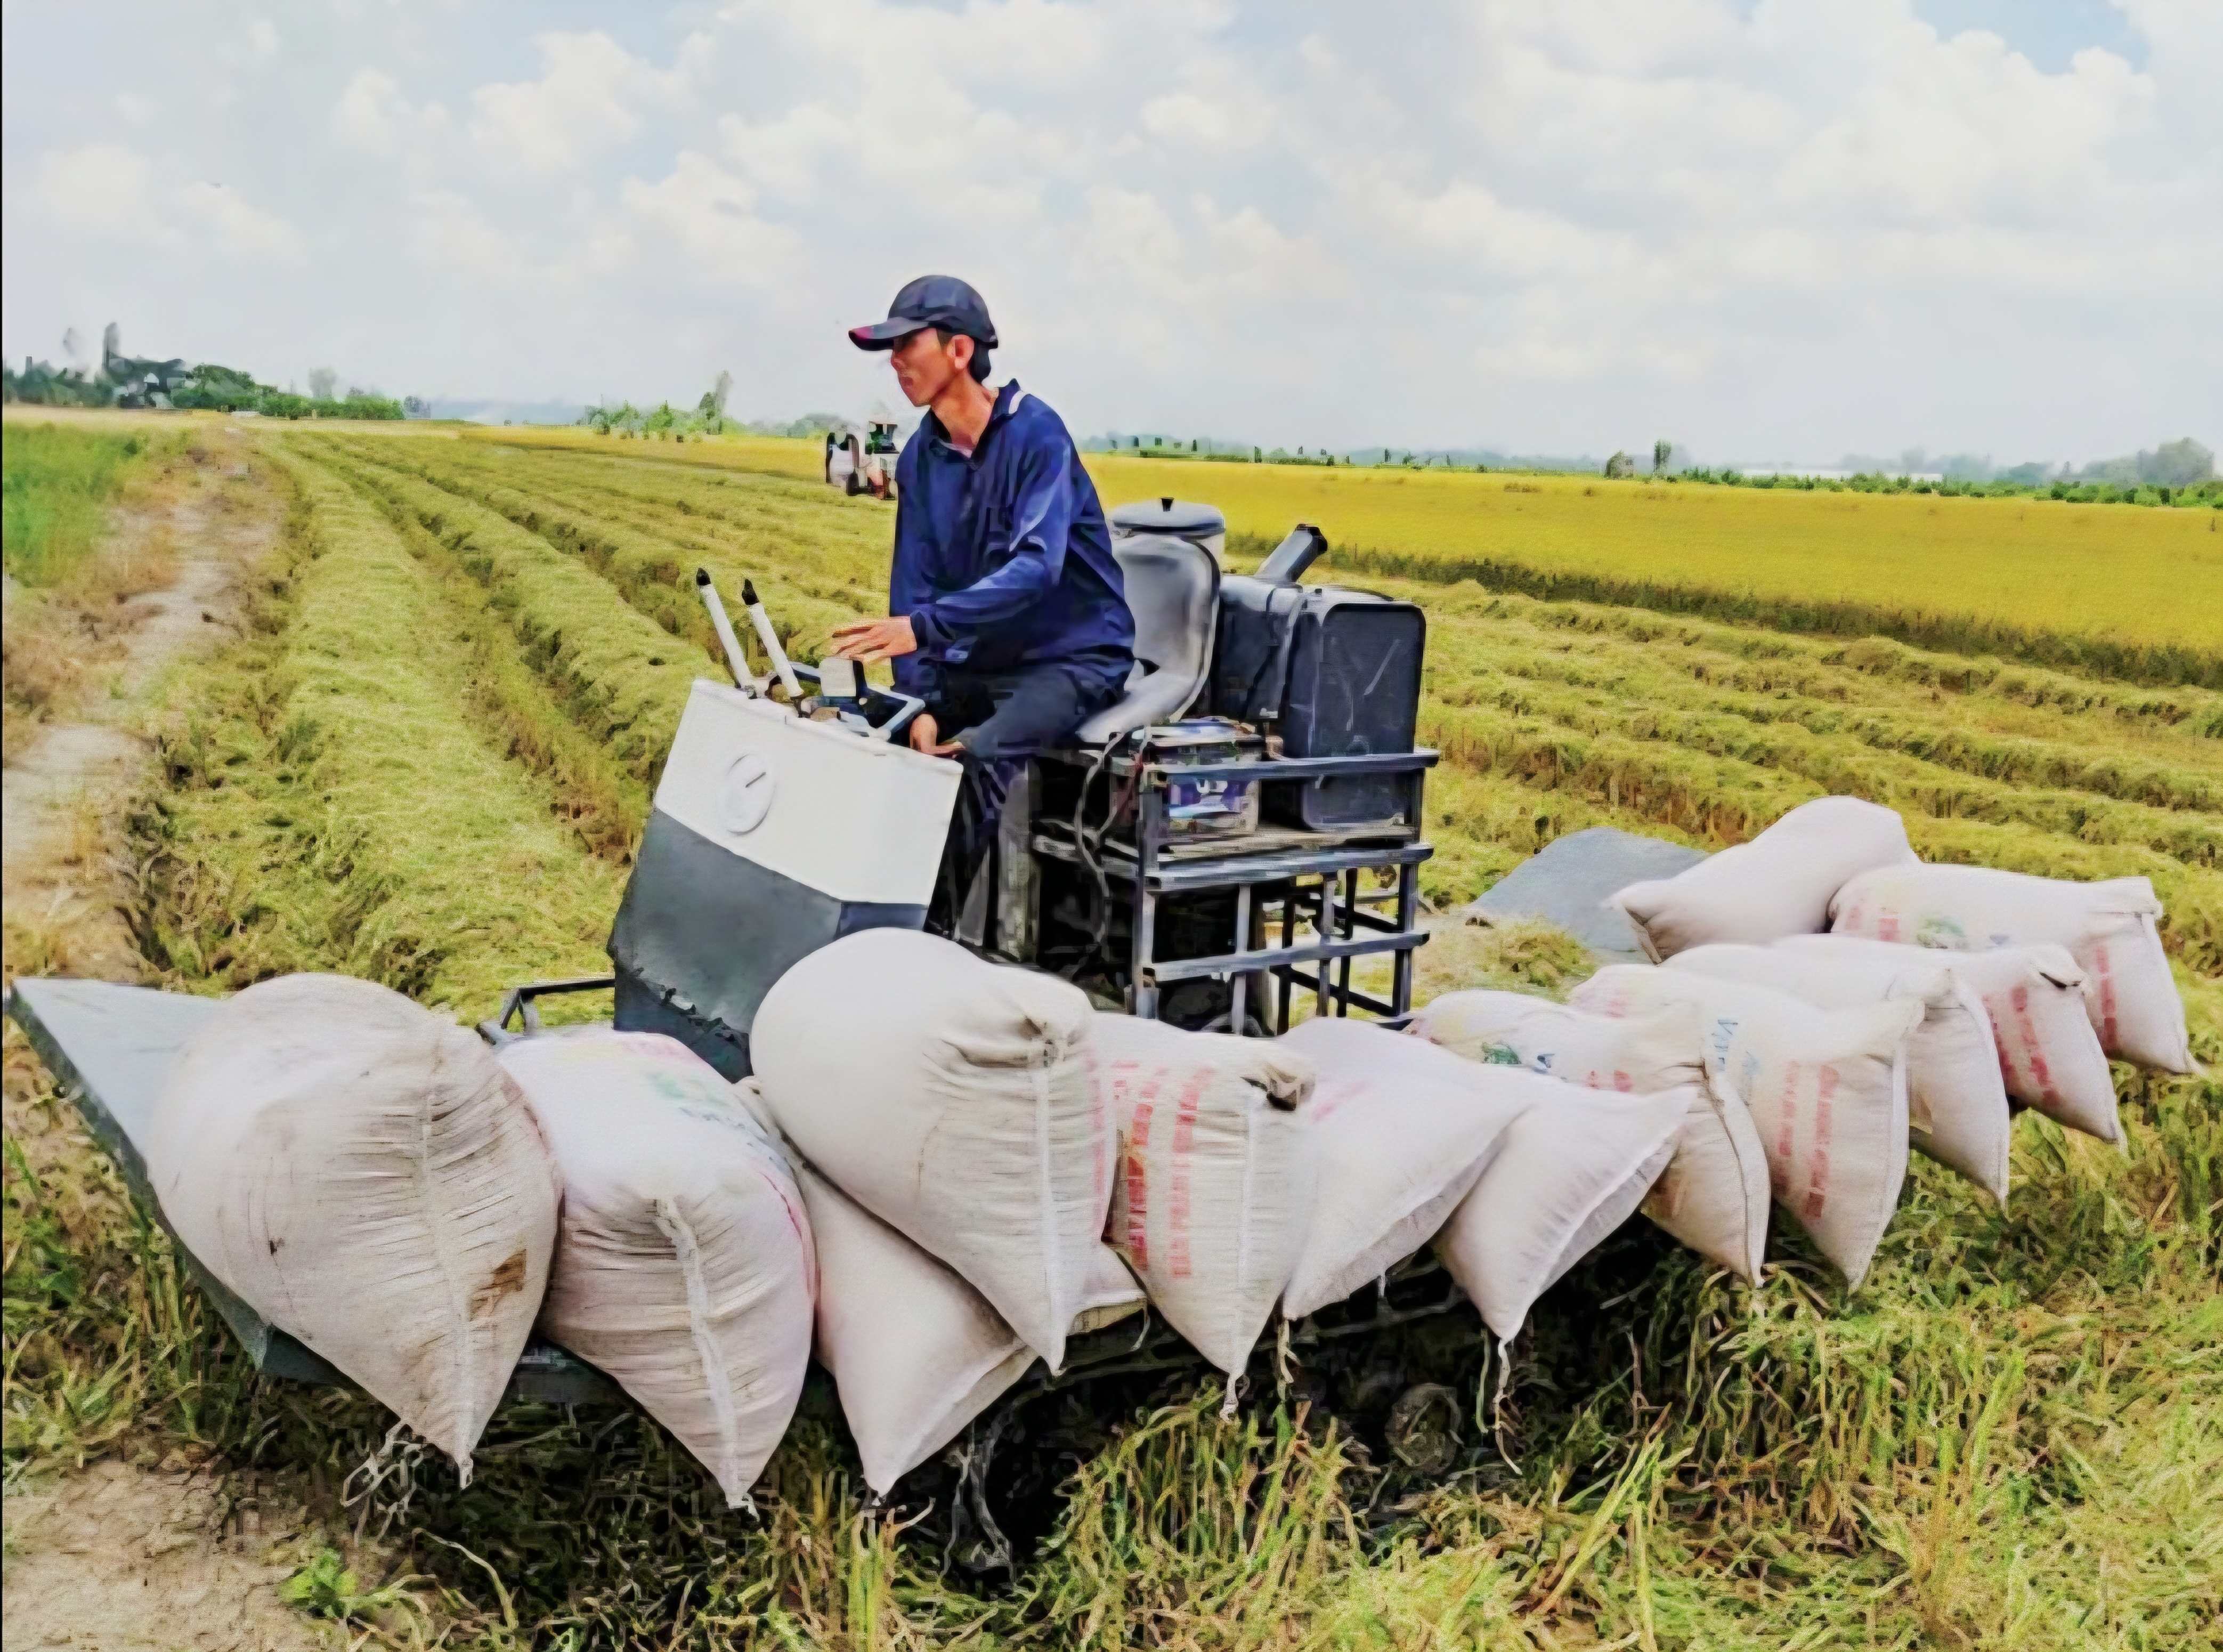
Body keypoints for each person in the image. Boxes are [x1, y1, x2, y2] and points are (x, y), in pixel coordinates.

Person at [832, 276, 1134, 925]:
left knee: (975, 761)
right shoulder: (921, 456)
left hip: (1071, 658)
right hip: (988, 660)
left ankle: (921, 945)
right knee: (885, 739)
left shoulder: (1036, 434)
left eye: (907, 345)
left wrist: (925, 629)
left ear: (960, 350)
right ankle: (856, 928)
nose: (895, 361)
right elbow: (911, 588)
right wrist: (921, 702)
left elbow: (1036, 569)